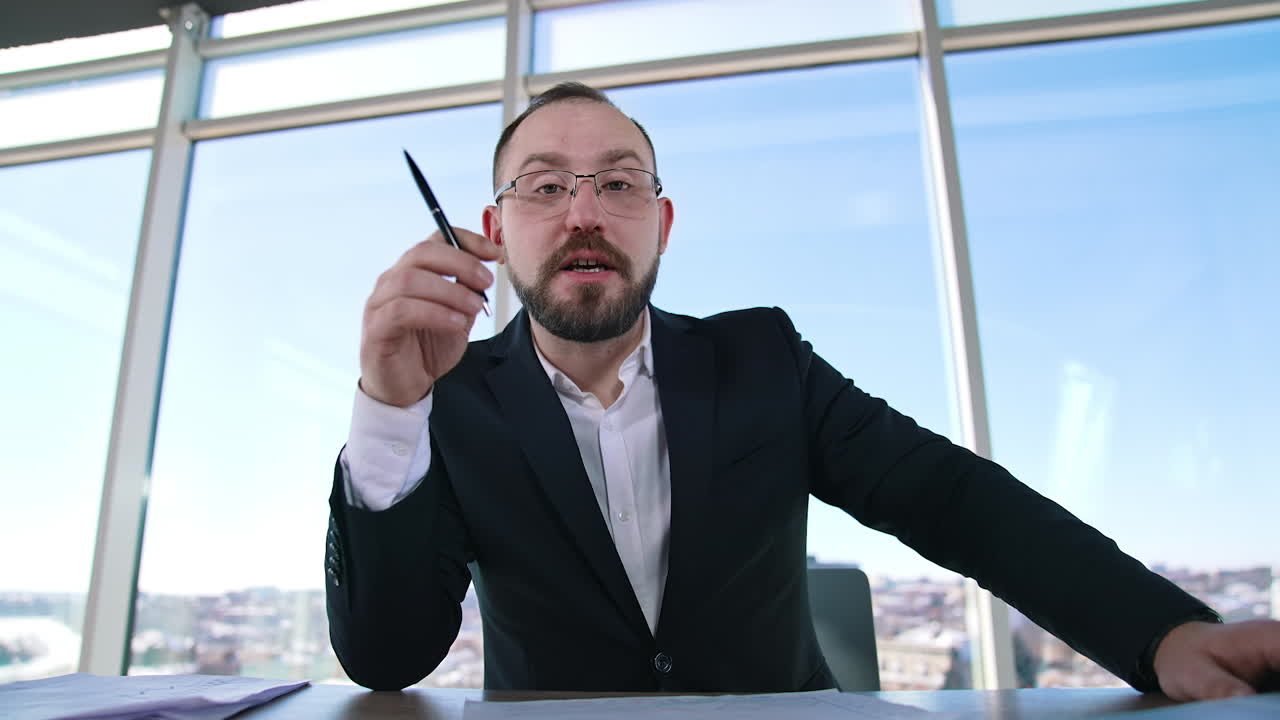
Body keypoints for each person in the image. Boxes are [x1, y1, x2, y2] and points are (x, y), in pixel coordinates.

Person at [325, 82, 1279, 699]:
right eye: (544, 188)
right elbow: (387, 658)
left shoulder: (763, 359)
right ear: (489, 228)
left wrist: (1158, 634)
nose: (583, 212)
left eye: (618, 185)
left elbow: (952, 499)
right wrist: (387, 406)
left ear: (661, 224)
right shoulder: (447, 399)